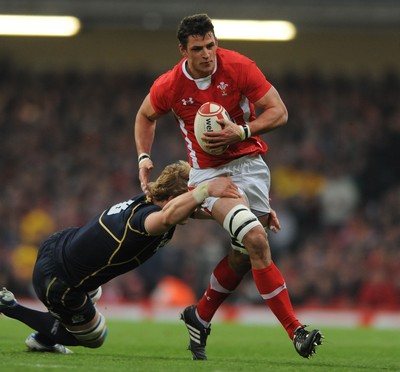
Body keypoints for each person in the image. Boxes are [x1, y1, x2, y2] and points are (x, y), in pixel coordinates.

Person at [134, 13, 323, 360]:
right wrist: (144, 156)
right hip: (208, 176)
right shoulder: (170, 85)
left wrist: (243, 130)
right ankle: (296, 331)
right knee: (255, 239)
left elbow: (278, 111)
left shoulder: (238, 66)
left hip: (251, 169)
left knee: (241, 257)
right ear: (183, 51)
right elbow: (145, 115)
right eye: (198, 49)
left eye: (211, 45)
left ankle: (200, 315)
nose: (207, 54)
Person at [0, 160, 240, 353]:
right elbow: (168, 217)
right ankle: (11, 307)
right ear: (173, 199)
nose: (194, 208)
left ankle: (46, 337)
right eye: (189, 200)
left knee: (95, 292)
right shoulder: (149, 220)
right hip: (58, 281)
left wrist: (243, 217)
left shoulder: (151, 199)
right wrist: (205, 189)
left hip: (57, 247)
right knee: (95, 336)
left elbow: (191, 210)